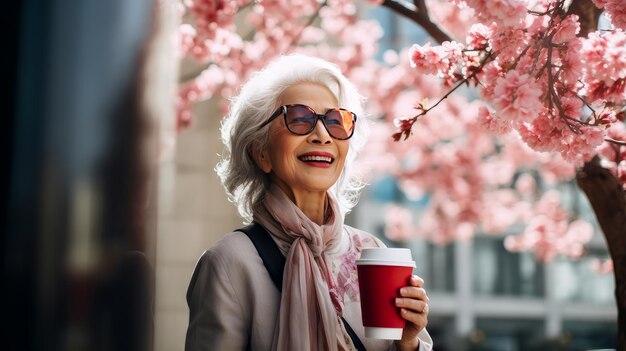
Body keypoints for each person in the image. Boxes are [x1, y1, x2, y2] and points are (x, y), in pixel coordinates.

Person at [185, 54, 433, 351]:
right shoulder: (229, 261)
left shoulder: (371, 252)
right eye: (299, 119)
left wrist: (409, 343)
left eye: (335, 121)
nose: (322, 135)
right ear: (261, 152)